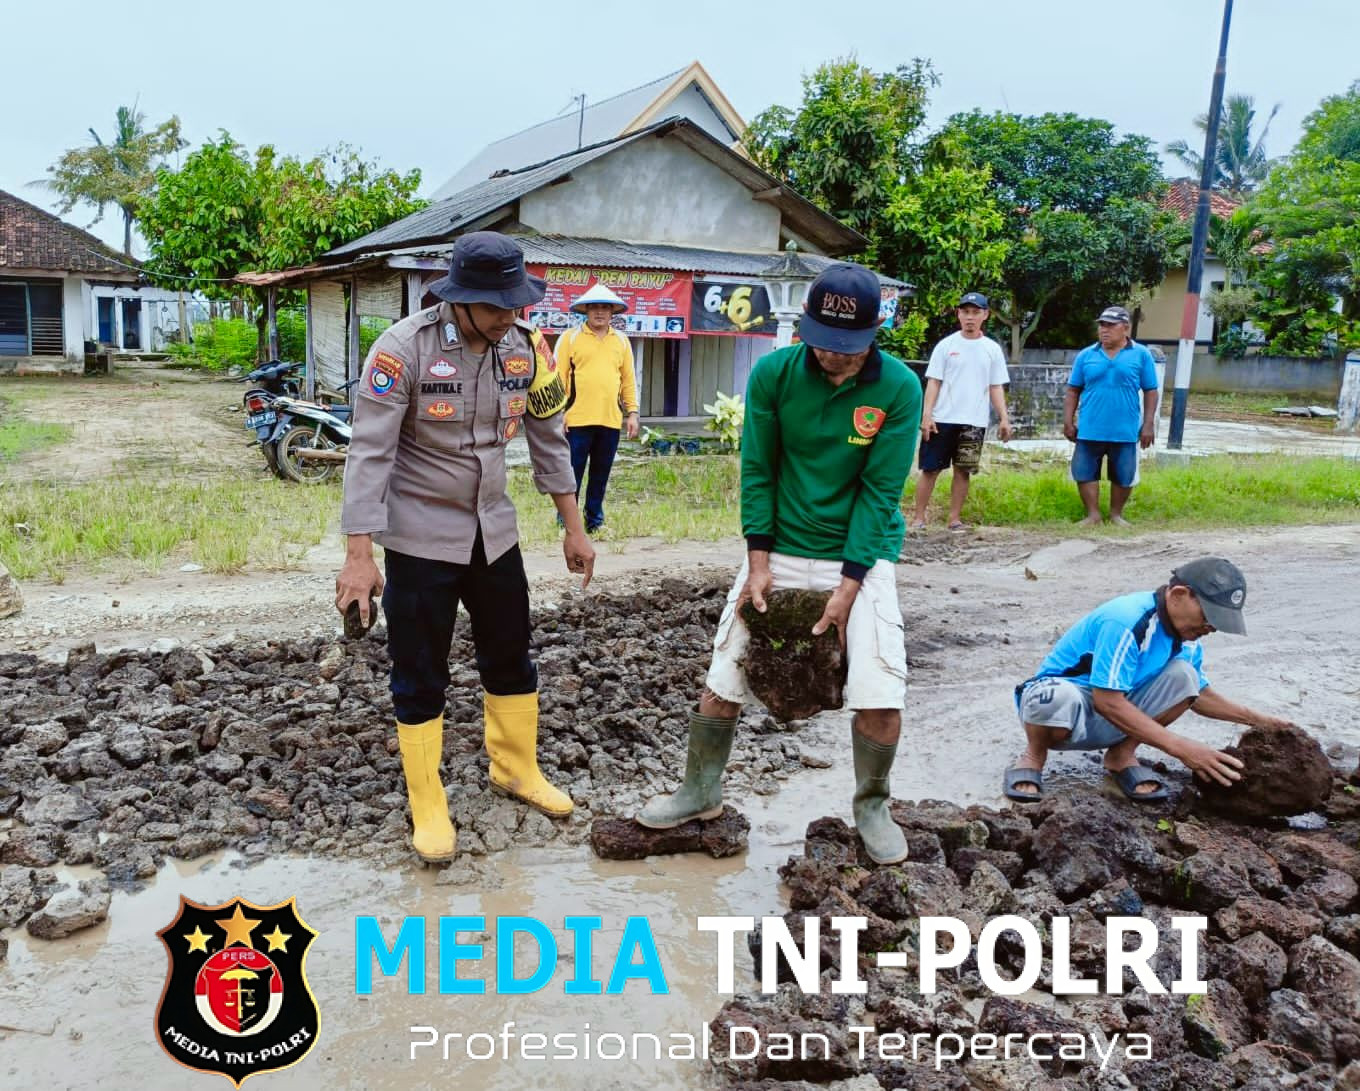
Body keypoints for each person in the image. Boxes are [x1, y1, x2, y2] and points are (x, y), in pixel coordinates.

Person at [635, 262, 923, 865]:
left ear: (875, 332)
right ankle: (700, 789)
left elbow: (878, 492)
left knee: (881, 690)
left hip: (861, 560)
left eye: (845, 348)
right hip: (780, 550)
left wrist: (848, 586)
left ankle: (872, 804)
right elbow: (758, 470)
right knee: (724, 677)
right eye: (820, 343)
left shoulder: (898, 388)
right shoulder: (772, 373)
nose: (832, 357)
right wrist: (758, 563)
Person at [335, 231, 596, 864]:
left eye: (517, 303)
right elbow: (370, 453)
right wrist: (360, 554)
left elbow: (548, 436)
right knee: (419, 669)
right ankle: (427, 798)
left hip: (494, 533)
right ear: (462, 298)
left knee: (511, 652)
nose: (511, 315)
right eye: (498, 305)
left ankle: (514, 768)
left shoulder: (525, 348)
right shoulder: (403, 351)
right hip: (420, 538)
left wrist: (573, 524)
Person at [1003, 557, 1296, 804]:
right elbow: (1107, 701)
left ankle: (1121, 756)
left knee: (1185, 676)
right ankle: (1033, 756)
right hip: (1068, 707)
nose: (1211, 628)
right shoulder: (1127, 619)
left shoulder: (1188, 638)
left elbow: (1199, 694)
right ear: (1179, 594)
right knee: (1053, 697)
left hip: (1116, 711)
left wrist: (1258, 720)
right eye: (1209, 616)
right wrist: (1182, 748)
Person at [910, 292, 1012, 532]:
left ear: (985, 315)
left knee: (963, 470)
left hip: (974, 421)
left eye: (976, 312)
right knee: (930, 469)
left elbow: (995, 385)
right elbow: (933, 382)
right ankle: (918, 518)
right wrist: (927, 415)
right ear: (958, 314)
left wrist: (1004, 418)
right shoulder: (946, 346)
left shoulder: (992, 349)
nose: (970, 317)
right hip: (942, 419)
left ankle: (954, 519)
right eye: (965, 312)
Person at [1064, 306, 1160, 526]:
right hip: (1090, 427)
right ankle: (1093, 514)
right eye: (1101, 325)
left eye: (1110, 325)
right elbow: (1073, 390)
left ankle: (1116, 514)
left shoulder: (1141, 355)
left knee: (1123, 474)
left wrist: (1148, 424)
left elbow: (1151, 391)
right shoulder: (1086, 355)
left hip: (1124, 429)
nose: (1104, 330)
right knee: (1084, 471)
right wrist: (1068, 421)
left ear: (1126, 328)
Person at [556, 283, 640, 533]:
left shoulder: (622, 342)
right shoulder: (570, 338)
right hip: (576, 420)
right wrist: (558, 413)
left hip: (610, 420)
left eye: (605, 308)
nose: (600, 312)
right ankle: (566, 524)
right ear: (586, 311)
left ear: (612, 312)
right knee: (572, 475)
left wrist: (632, 413)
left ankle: (595, 522)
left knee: (600, 475)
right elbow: (558, 378)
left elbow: (628, 380)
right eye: (594, 307)